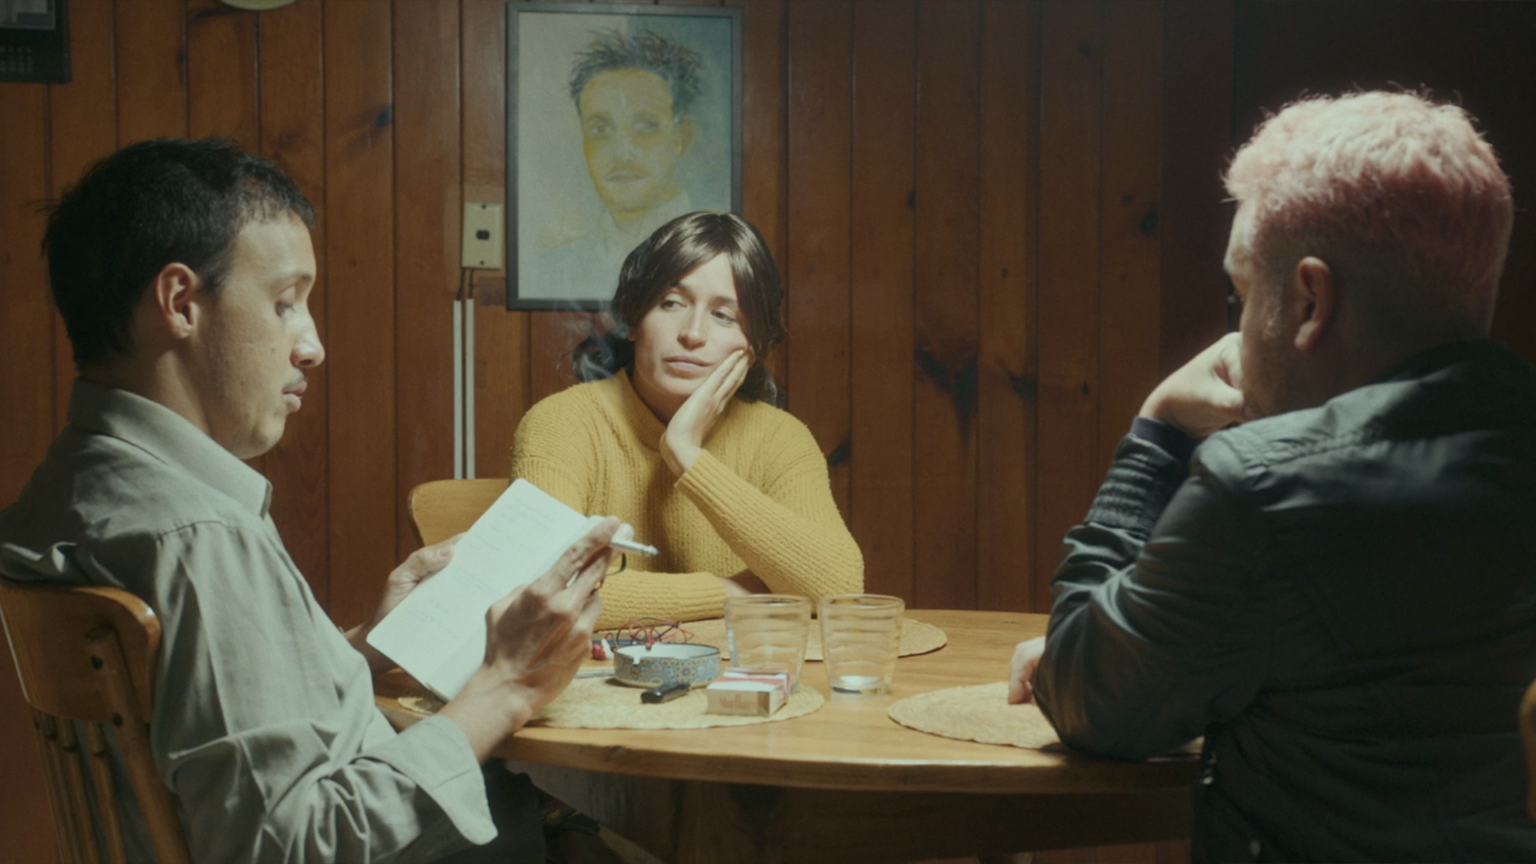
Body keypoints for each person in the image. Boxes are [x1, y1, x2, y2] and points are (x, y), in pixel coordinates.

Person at [0, 138, 627, 863]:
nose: (312, 346)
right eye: (284, 304)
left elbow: (209, 721)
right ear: (179, 303)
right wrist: (507, 685)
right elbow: (286, 844)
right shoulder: (197, 534)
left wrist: (359, 648)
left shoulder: (72, 485)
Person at [1008, 91, 1536, 861]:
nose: (1238, 323)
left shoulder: (1265, 491)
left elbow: (1095, 700)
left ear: (1310, 300)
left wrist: (1157, 430)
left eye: (1243, 293)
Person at [512, 211, 864, 629]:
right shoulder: (562, 422)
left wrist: (686, 454)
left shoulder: (781, 438)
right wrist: (737, 592)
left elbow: (839, 589)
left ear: (752, 347)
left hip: (742, 666)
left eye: (724, 315)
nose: (693, 334)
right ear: (634, 320)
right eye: (671, 303)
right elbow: (543, 589)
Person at [526, 27, 704, 302]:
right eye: (600, 129)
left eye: (646, 126)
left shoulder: (716, 257)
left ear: (680, 137)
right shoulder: (552, 268)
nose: (622, 154)